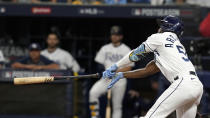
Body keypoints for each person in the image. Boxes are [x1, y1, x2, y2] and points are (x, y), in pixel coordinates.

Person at [103, 15, 203, 118]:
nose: (159, 28)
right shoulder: (177, 46)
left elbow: (135, 55)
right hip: (196, 86)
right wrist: (122, 74)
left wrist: (116, 65)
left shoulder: (159, 37)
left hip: (182, 84)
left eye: (162, 25)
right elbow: (147, 70)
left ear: (167, 27)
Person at [89, 26, 134, 118]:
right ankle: (94, 116)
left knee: (117, 106)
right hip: (106, 78)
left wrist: (115, 71)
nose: (114, 37)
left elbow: (129, 68)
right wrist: (103, 71)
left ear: (121, 36)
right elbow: (99, 64)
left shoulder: (126, 49)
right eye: (113, 34)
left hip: (120, 79)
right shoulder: (105, 48)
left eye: (117, 35)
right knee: (93, 93)